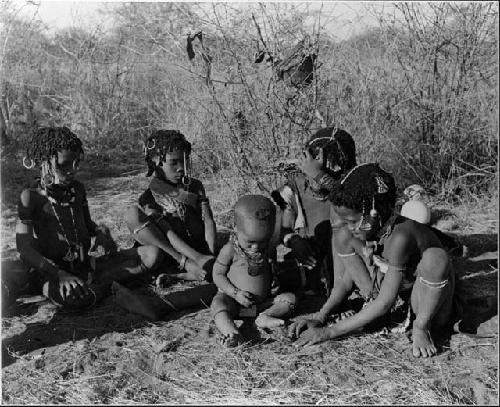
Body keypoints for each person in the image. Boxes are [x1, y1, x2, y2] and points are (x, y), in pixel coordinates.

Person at [9, 126, 215, 315]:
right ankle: (109, 287)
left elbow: (88, 226)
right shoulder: (30, 197)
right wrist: (58, 274)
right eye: (64, 165)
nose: (73, 170)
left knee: (152, 254)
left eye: (76, 163)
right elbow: (24, 249)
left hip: (86, 266)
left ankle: (102, 284)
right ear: (43, 163)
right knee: (75, 298)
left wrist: (100, 233)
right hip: (52, 273)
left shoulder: (77, 190)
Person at [289, 163, 456, 358]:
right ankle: (381, 316)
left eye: (353, 221)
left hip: (426, 301)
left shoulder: (400, 236)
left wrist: (329, 332)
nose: (350, 227)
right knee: (342, 236)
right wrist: (321, 316)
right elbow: (344, 281)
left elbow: (385, 302)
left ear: (373, 213)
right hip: (391, 295)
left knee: (436, 257)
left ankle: (421, 327)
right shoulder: (368, 231)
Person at [271, 125, 358, 296]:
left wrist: (320, 176)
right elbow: (280, 229)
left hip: (347, 259)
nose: (315, 175)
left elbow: (349, 202)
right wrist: (294, 240)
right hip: (310, 262)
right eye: (313, 160)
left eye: (325, 166)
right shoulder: (295, 187)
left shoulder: (351, 185)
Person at [125, 130, 217, 282]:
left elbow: (208, 221)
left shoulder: (195, 186)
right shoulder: (149, 197)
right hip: (174, 254)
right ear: (156, 161)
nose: (181, 167)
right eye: (174, 162)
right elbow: (169, 235)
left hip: (198, 247)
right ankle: (180, 274)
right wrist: (198, 258)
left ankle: (186, 273)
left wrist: (211, 255)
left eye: (184, 160)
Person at [210, 195, 297, 347]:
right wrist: (235, 293)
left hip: (260, 306)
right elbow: (217, 274)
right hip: (235, 305)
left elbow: (270, 268)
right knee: (218, 304)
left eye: (262, 242)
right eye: (250, 243)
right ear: (235, 228)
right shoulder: (230, 250)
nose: (256, 248)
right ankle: (232, 333)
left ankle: (265, 317)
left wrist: (274, 281)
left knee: (290, 298)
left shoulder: (267, 249)